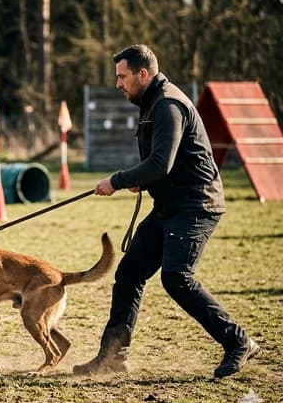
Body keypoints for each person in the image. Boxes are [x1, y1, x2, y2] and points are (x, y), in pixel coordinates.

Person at [73, 44, 259, 378]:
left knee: (176, 278)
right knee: (129, 273)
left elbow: (161, 163)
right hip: (170, 205)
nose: (118, 84)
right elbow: (162, 164)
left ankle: (238, 342)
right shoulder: (151, 103)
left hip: (196, 205)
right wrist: (140, 181)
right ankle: (113, 356)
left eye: (122, 76)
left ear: (143, 74)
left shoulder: (168, 105)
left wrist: (117, 180)